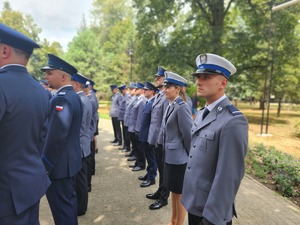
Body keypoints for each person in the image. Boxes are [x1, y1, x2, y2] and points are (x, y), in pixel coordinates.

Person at [181, 53, 249, 225]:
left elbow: (229, 175)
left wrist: (212, 218)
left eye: (206, 77)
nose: (199, 81)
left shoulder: (233, 120)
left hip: (211, 212)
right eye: (198, 77)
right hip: (195, 202)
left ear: (223, 83)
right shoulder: (201, 114)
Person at [0, 22, 51, 225]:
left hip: (5, 195)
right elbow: (41, 139)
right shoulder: (39, 90)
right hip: (30, 185)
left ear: (4, 50)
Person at [41, 54, 83, 225]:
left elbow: (55, 138)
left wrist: (45, 165)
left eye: (50, 73)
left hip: (59, 167)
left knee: (62, 213)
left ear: (64, 76)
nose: (46, 76)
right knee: (68, 208)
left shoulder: (61, 99)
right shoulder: (73, 96)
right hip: (69, 163)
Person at [161, 71, 193, 225]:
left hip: (180, 159)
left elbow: (188, 136)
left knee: (180, 194)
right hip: (171, 157)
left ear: (178, 89)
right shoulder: (171, 105)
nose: (164, 90)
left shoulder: (182, 107)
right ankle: (173, 220)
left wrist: (189, 158)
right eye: (164, 87)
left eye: (168, 87)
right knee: (174, 191)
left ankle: (178, 223)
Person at [146, 66, 170, 210]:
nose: (156, 79)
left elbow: (165, 122)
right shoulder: (159, 95)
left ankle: (164, 198)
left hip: (162, 139)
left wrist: (161, 141)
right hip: (156, 137)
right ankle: (160, 191)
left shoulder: (166, 97)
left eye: (159, 77)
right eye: (156, 77)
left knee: (164, 170)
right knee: (161, 169)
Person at [71, 73, 93, 216]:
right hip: (83, 143)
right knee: (81, 178)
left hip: (79, 145)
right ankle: (81, 206)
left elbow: (80, 127)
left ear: (76, 84)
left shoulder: (81, 100)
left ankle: (81, 208)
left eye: (70, 82)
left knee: (80, 180)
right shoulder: (83, 99)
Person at [138, 81, 158, 187]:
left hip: (148, 135)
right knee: (148, 156)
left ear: (152, 91)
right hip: (145, 134)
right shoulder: (148, 102)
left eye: (146, 90)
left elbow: (153, 122)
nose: (144, 91)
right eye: (144, 89)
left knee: (151, 157)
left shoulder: (153, 103)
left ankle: (152, 177)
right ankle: (148, 173)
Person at [117, 84, 130, 151]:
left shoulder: (127, 96)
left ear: (125, 89)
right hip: (123, 117)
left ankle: (127, 147)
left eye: (122, 91)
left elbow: (127, 108)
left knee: (126, 133)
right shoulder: (124, 96)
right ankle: (125, 145)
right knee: (124, 132)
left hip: (126, 118)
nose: (121, 92)